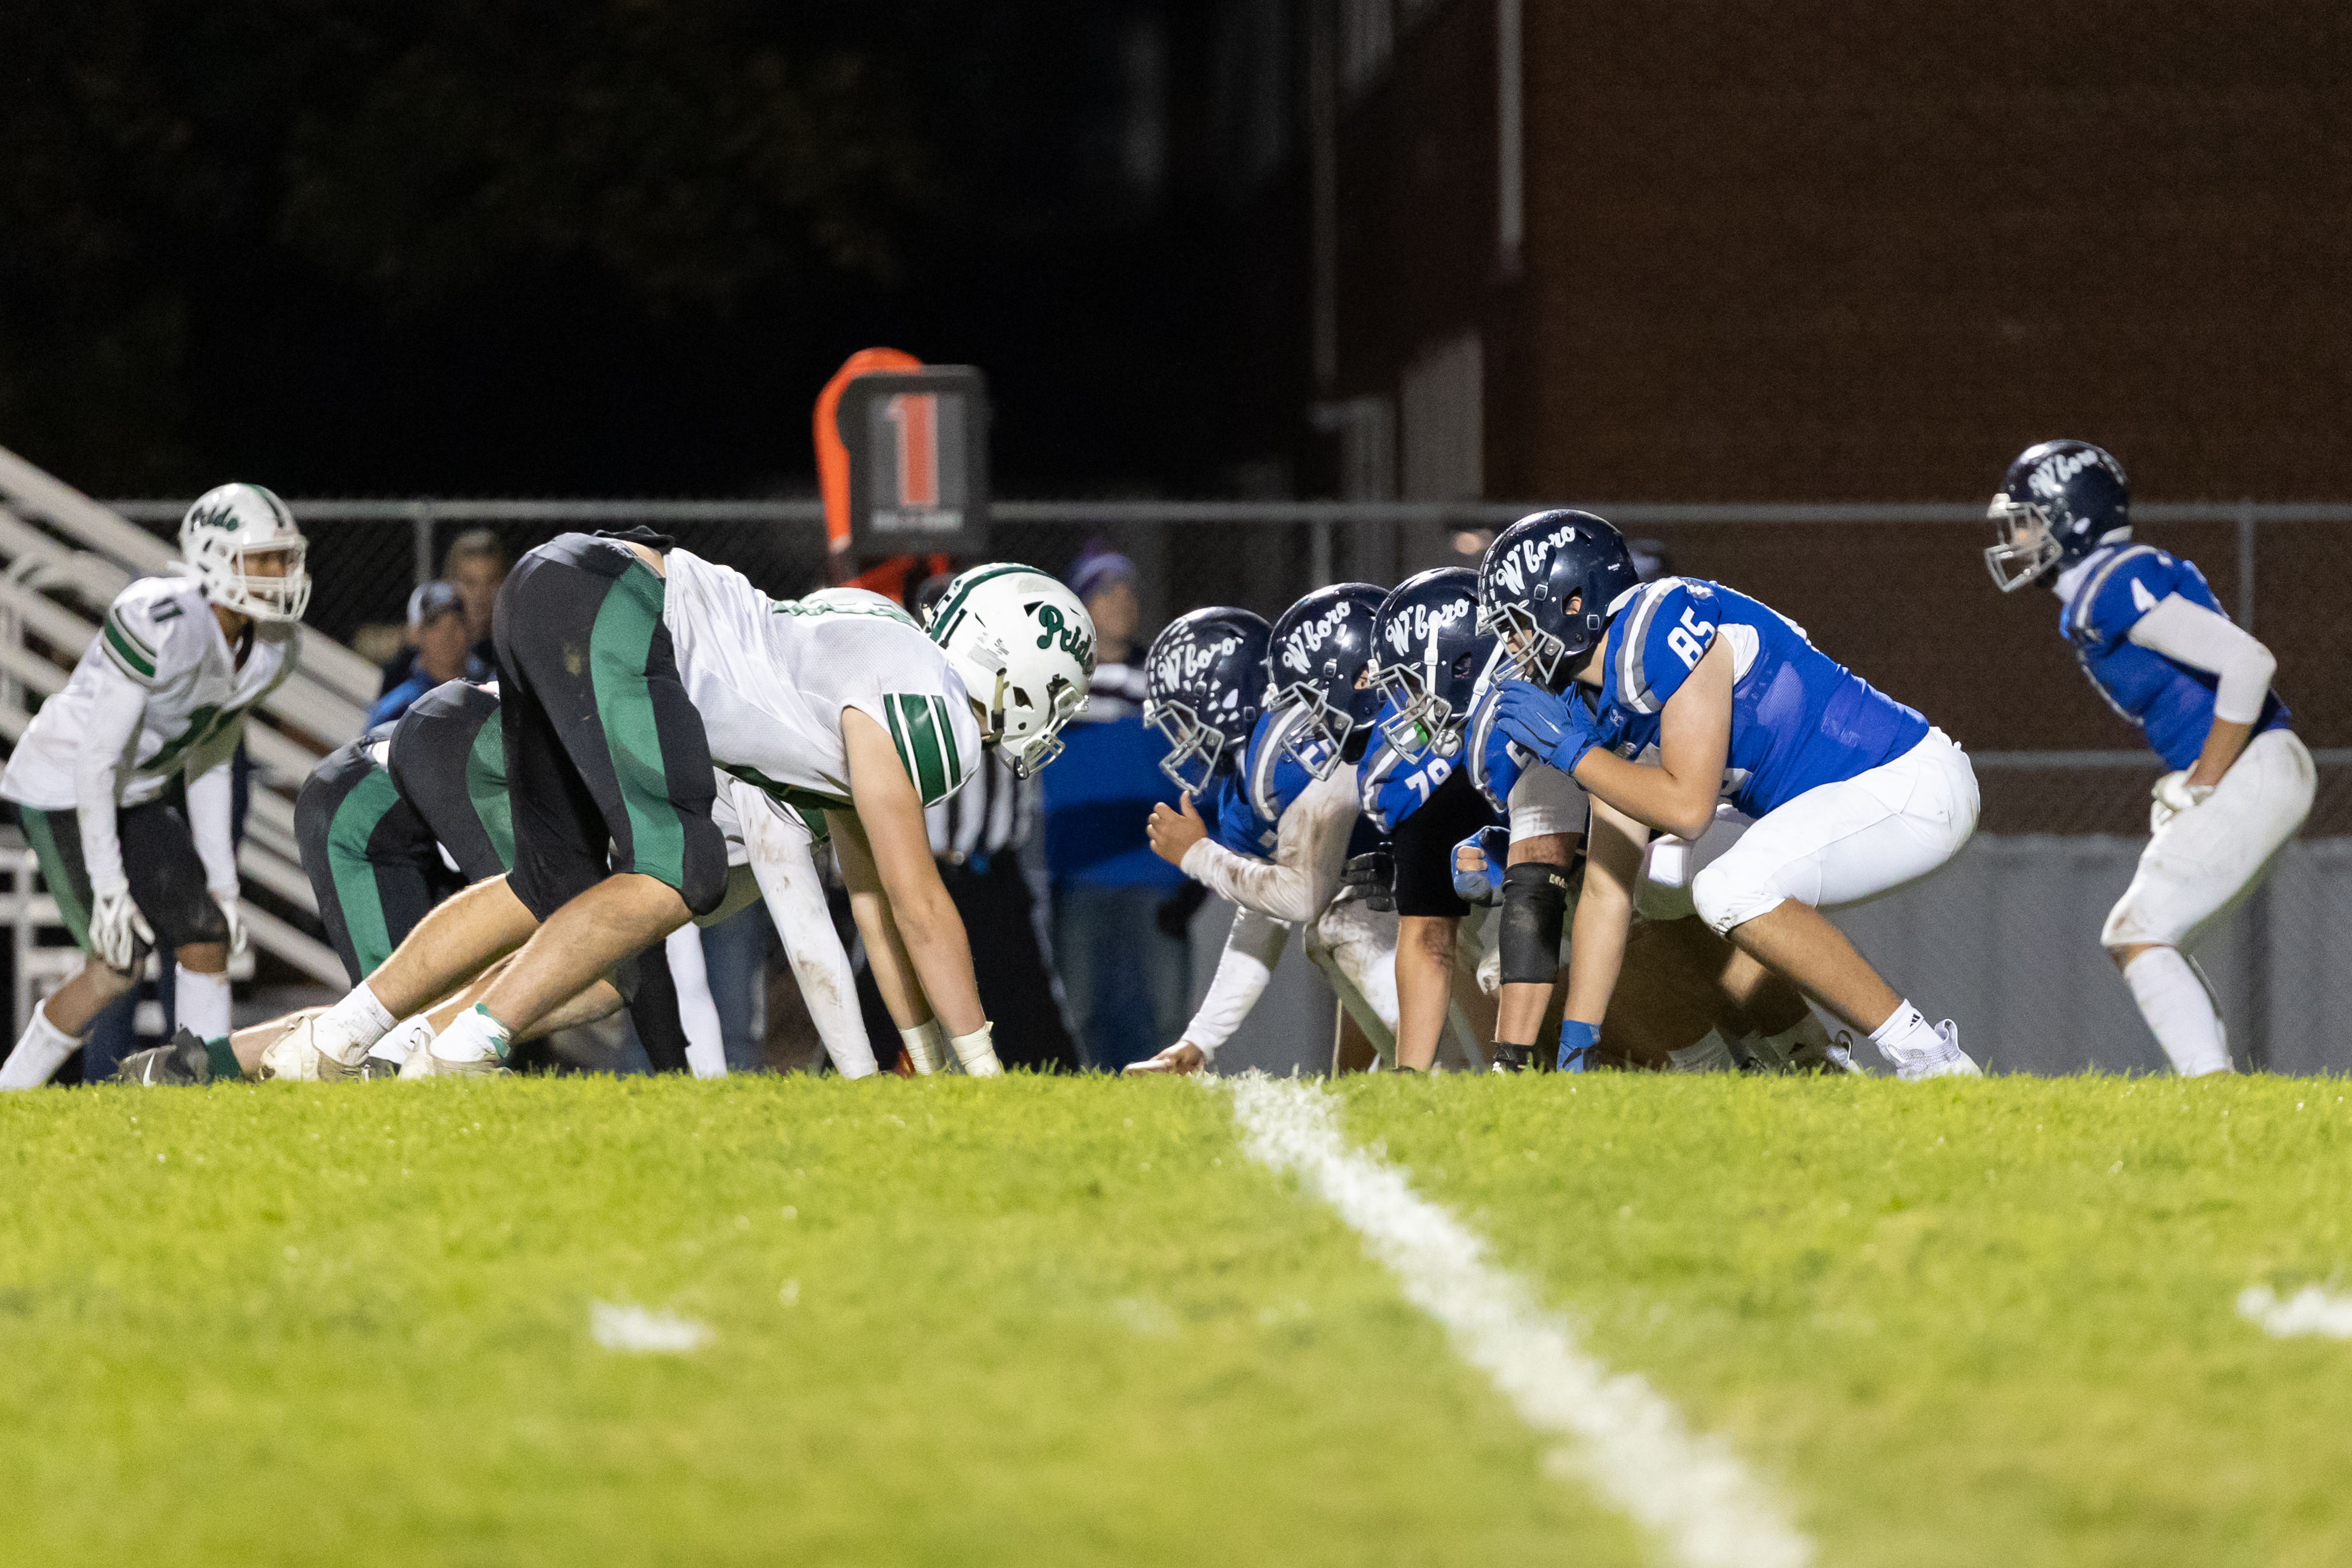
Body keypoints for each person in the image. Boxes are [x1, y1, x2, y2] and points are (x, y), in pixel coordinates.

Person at [259, 543, 1088, 1082]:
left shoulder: (873, 646)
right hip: (622, 613)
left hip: (562, 588)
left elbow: (873, 901)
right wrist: (986, 1070)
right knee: (676, 876)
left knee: (554, 887)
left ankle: (332, 1041)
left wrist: (930, 1059)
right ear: (1003, 658)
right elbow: (918, 901)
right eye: (1050, 692)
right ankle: (467, 1044)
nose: (1044, 714)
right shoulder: (931, 706)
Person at [1486, 514, 1982, 1079]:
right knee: (1653, 880)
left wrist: (1574, 753)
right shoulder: (1594, 702)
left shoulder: (1660, 622)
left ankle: (1928, 1056)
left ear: (1573, 602)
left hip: (1908, 784)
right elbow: (1606, 887)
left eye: (1517, 624)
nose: (1513, 647)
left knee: (1730, 886)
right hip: (1838, 805)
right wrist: (1580, 1041)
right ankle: (1808, 1057)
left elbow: (1689, 809)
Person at [1454, 512, 1854, 1075]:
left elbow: (1672, 811)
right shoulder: (1542, 700)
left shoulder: (1655, 663)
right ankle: (1738, 1062)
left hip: (1747, 833)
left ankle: (1784, 1056)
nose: (1513, 647)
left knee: (1648, 906)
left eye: (1520, 623)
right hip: (1658, 855)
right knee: (1606, 916)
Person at [1985, 440, 2313, 1075]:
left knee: (2138, 931)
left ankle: (2212, 1091)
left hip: (2255, 765)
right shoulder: (2098, 592)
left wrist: (2203, 782)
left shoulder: (2112, 583)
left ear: (2070, 517)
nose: (2015, 537)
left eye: (2027, 518)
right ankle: (2212, 1083)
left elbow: (2249, 662)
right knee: (2146, 933)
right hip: (2260, 763)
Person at [0, 484, 305, 1089]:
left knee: (206, 931)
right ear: (215, 557)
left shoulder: (273, 646)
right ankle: (10, 1091)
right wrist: (111, 886)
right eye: (261, 559)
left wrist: (222, 880)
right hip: (62, 785)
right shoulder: (162, 619)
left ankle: (198, 1089)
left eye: (283, 558)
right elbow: (97, 757)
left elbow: (213, 752)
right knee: (117, 966)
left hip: (133, 792)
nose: (278, 573)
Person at [1130, 601, 1399, 1074]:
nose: (1181, 737)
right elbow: (1264, 913)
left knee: (1337, 921)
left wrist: (1198, 855)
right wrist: (1201, 1039)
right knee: (1340, 916)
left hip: (1459, 898)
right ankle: (1415, 1067)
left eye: (1184, 715)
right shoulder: (1251, 777)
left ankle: (1444, 1062)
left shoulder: (1296, 747)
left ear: (1221, 697)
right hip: (1410, 902)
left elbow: (1302, 898)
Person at [1043, 545, 1190, 1069]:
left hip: (1156, 875)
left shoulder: (1165, 682)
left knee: (1168, 1015)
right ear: (1079, 606)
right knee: (1076, 1011)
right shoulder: (1050, 687)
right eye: (1106, 591)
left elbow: (1193, 775)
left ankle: (1169, 1117)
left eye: (1128, 590)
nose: (1121, 601)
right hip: (1079, 875)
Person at [1353, 569, 1501, 1071]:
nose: (1403, 704)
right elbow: (1427, 936)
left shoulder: (1549, 723)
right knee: (1491, 960)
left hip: (1634, 929)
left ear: (1464, 664)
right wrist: (1409, 1076)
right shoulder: (1435, 784)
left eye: (1413, 680)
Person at [366, 582, 485, 728]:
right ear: (418, 634)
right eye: (436, 627)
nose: (447, 636)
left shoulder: (489, 694)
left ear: (469, 631)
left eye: (455, 625)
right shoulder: (397, 710)